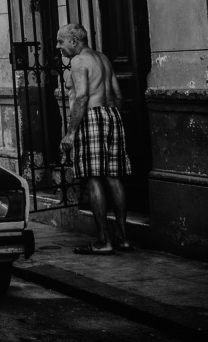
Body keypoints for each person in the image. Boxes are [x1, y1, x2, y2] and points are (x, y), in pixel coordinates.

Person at [57, 23, 133, 255]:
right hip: (112, 115)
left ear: (74, 41)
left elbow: (81, 97)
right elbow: (118, 95)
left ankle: (103, 240)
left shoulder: (78, 61)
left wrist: (70, 133)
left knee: (92, 178)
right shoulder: (103, 58)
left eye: (61, 41)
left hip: (91, 117)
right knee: (113, 176)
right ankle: (122, 237)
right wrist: (111, 118)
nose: (58, 46)